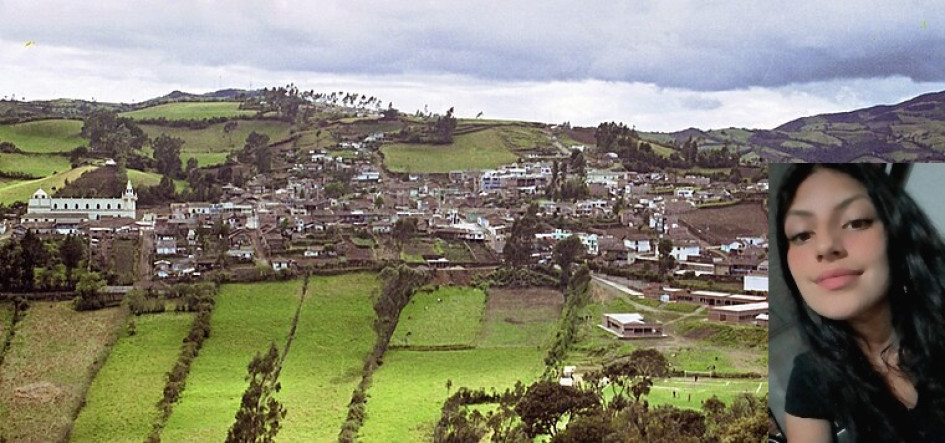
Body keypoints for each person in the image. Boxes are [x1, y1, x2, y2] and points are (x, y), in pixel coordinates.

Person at [775, 164, 945, 442]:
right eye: (802, 234)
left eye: (856, 222)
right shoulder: (811, 376)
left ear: (897, 229)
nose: (825, 246)